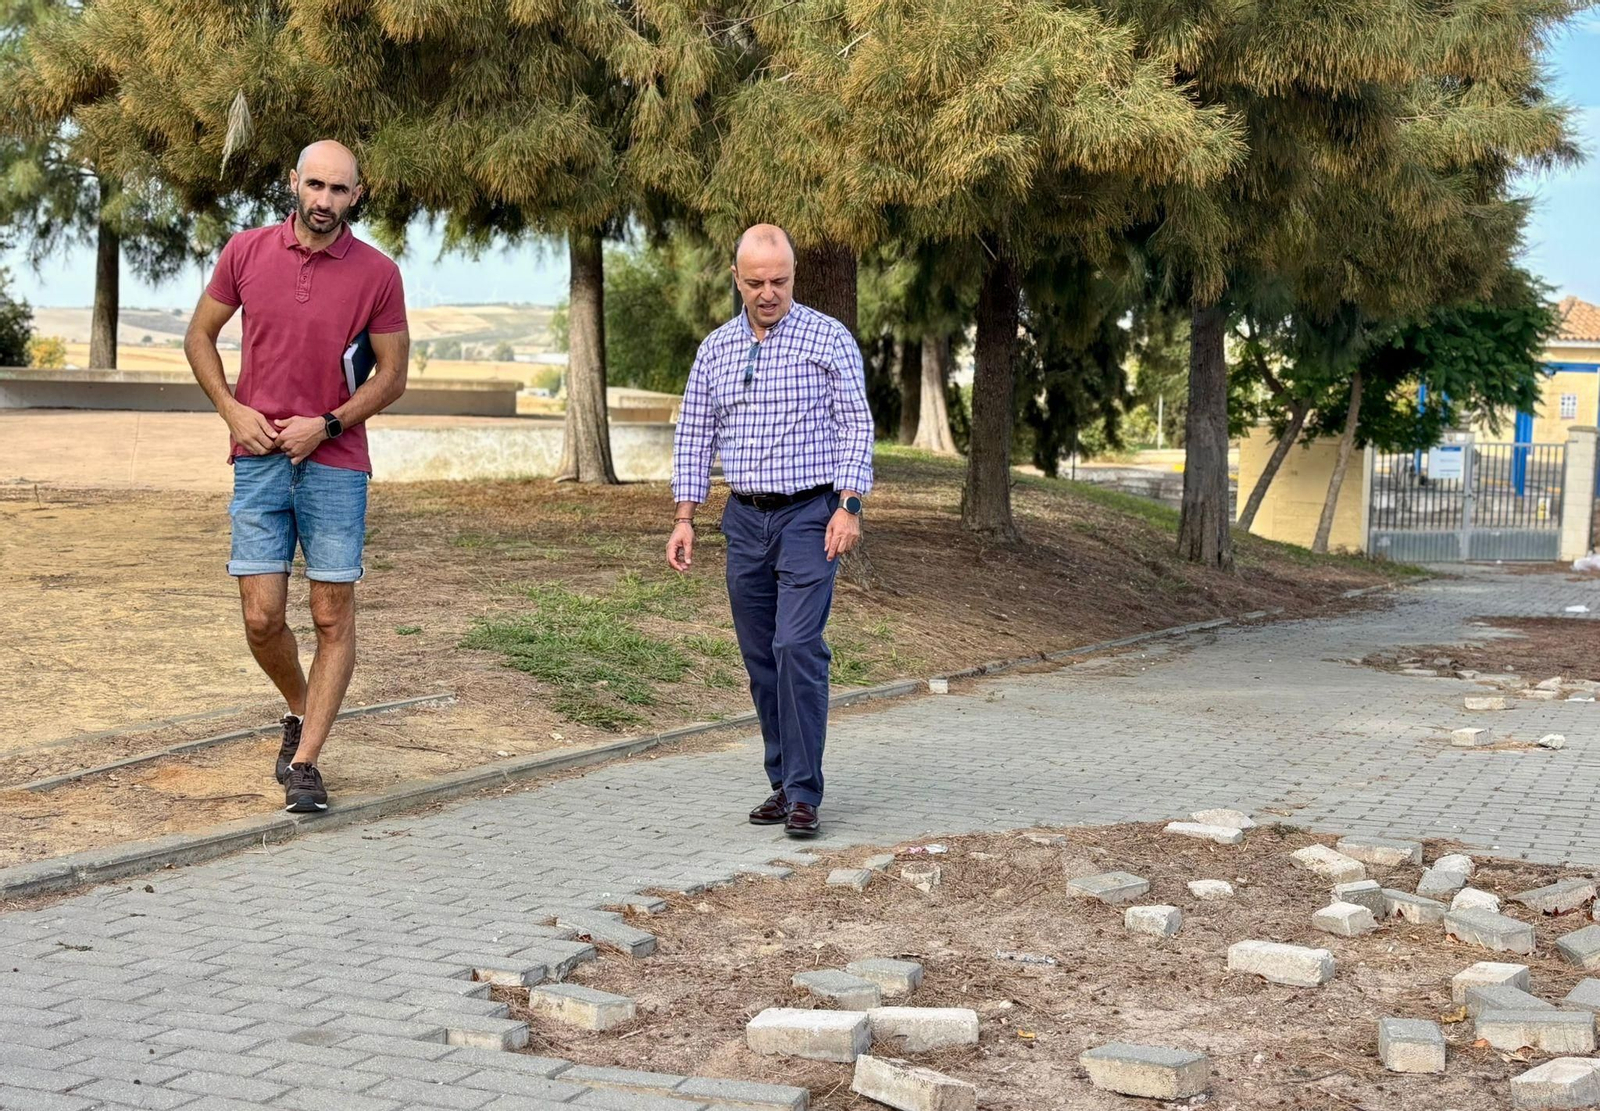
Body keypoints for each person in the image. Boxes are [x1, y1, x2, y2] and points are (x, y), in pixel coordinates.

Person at [184, 140, 410, 814]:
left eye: (339, 190)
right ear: (294, 182)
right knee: (261, 618)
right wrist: (232, 410)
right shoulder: (246, 251)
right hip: (257, 458)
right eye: (315, 185)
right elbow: (199, 337)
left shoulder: (378, 273)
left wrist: (328, 425)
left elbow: (392, 376)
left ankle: (306, 762)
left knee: (330, 614)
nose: (324, 200)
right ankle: (302, 707)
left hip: (336, 465)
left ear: (357, 195)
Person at [667, 224, 875, 838]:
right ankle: (782, 783)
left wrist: (849, 505)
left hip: (810, 516)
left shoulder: (828, 338)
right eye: (756, 282)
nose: (768, 293)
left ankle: (806, 792)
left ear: (793, 276)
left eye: (779, 281)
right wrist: (684, 518)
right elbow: (694, 435)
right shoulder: (715, 350)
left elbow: (856, 425)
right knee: (761, 657)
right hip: (744, 519)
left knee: (796, 646)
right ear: (737, 279)